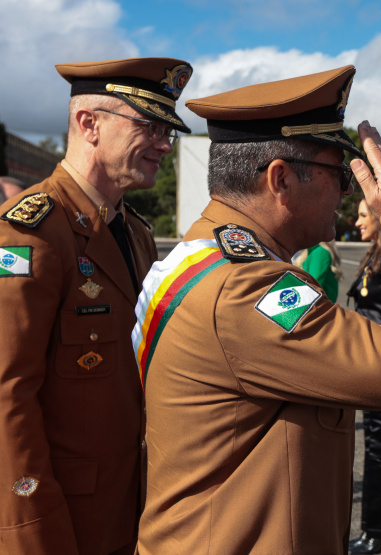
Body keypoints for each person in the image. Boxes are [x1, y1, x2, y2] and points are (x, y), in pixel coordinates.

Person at [134, 66, 381, 555]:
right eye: (338, 174)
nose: (348, 193)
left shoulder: (223, 259)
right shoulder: (243, 287)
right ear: (280, 179)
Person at [0, 57, 193, 555]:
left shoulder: (136, 234)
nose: (164, 145)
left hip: (133, 508)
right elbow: (7, 399)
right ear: (89, 124)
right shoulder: (29, 233)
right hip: (62, 518)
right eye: (149, 126)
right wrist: (29, 528)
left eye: (167, 131)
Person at [346, 198, 381, 554]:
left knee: (379, 448)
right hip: (371, 363)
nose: (357, 220)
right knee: (379, 447)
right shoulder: (374, 255)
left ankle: (376, 532)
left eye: (365, 215)